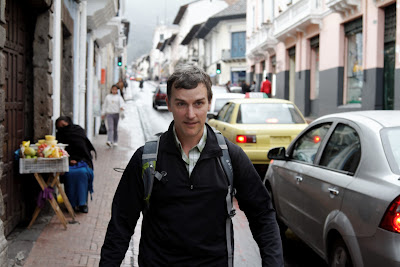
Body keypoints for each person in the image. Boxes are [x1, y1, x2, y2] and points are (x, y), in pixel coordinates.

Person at [100, 65, 283, 266]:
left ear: (209, 103)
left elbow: (263, 215)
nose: (190, 114)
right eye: (181, 104)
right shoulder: (146, 158)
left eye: (198, 103)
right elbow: (120, 225)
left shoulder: (231, 157)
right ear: (168, 103)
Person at [55, 116, 96, 213]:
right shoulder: (60, 135)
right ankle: (71, 203)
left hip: (83, 162)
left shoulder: (78, 131)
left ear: (69, 123)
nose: (62, 128)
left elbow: (84, 150)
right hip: (67, 162)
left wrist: (78, 160)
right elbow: (60, 151)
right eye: (60, 127)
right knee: (69, 174)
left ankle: (83, 203)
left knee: (82, 173)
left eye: (64, 125)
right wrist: (69, 160)